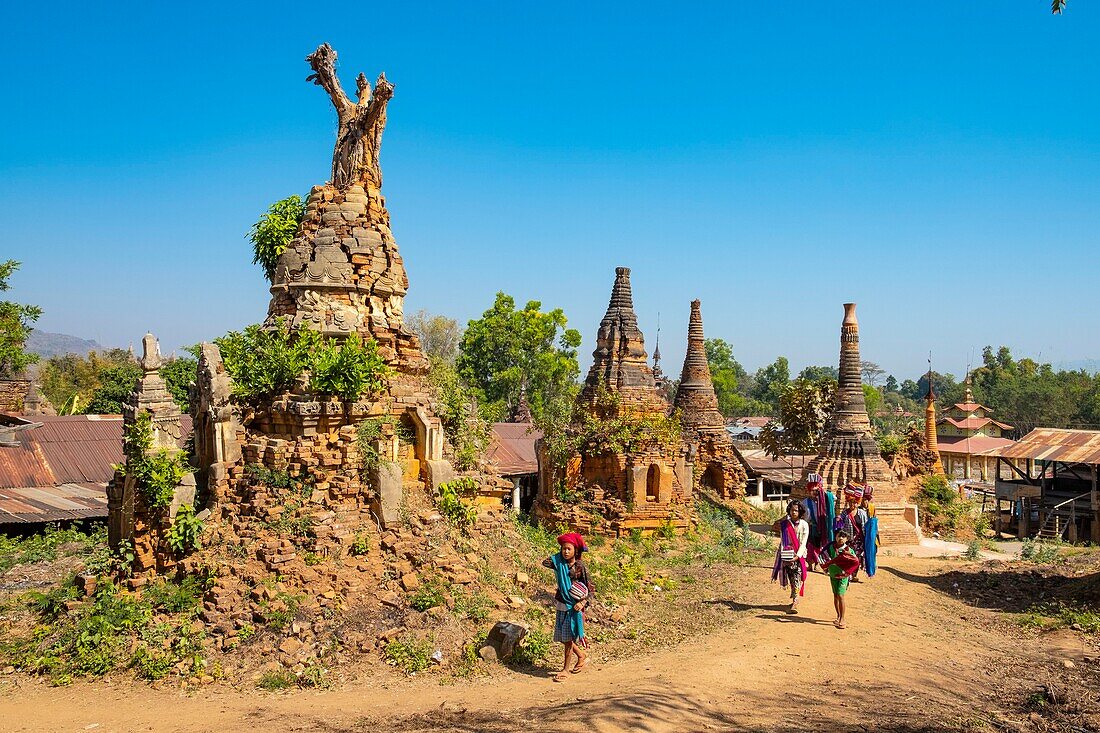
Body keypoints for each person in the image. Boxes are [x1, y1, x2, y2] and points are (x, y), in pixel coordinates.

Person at [541, 532, 594, 682]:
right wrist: (558, 558)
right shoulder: (558, 563)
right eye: (563, 549)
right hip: (561, 604)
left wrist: (583, 602)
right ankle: (581, 656)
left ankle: (565, 670)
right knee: (564, 638)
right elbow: (544, 562)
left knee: (568, 639)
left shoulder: (580, 566)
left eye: (569, 549)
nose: (565, 552)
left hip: (575, 607)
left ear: (575, 551)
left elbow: (591, 588)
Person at [771, 500, 810, 612]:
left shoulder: (804, 525)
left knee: (797, 576)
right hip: (787, 555)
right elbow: (783, 541)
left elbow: (804, 542)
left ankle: (795, 600)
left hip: (799, 555)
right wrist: (785, 556)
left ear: (800, 512)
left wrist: (797, 556)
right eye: (792, 510)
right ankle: (794, 598)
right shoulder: (785, 525)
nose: (794, 512)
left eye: (796, 510)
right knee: (791, 577)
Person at [821, 529, 860, 629]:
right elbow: (824, 557)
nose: (841, 538)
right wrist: (826, 567)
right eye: (839, 536)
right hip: (833, 574)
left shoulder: (849, 551)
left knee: (841, 595)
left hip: (843, 576)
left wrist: (848, 572)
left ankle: (843, 619)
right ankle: (838, 616)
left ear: (847, 539)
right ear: (835, 537)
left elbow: (855, 562)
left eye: (843, 536)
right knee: (835, 595)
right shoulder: (830, 548)